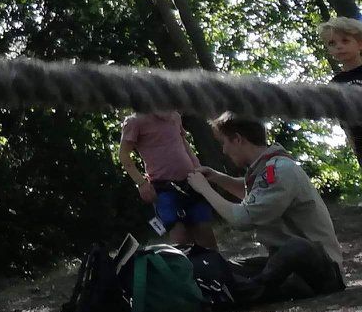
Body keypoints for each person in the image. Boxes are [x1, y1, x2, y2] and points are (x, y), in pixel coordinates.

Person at [185, 113, 345, 301]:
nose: (224, 151)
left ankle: (252, 289)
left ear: (238, 139)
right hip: (284, 266)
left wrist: (204, 189)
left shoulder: (280, 170)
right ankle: (249, 286)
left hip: (319, 268)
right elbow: (257, 196)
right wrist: (217, 178)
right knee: (224, 267)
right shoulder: (268, 168)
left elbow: (242, 219)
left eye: (224, 143)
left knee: (296, 247)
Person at [115, 110, 217, 248]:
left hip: (191, 181)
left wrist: (198, 168)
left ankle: (216, 266)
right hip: (163, 187)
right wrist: (142, 183)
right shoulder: (135, 121)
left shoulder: (174, 115)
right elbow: (123, 155)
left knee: (205, 231)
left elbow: (183, 143)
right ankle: (188, 267)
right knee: (179, 235)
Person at [322, 17, 362, 163]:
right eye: (332, 43)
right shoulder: (335, 84)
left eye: (345, 41)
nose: (339, 46)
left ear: (360, 44)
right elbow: (343, 121)